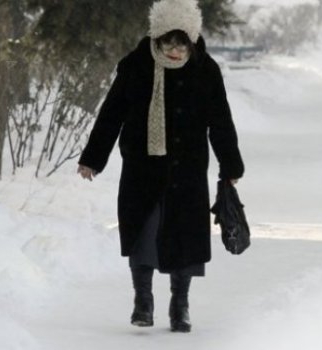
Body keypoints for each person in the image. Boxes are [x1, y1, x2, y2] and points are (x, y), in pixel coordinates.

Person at [77, 0, 244, 333]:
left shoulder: (205, 69)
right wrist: (93, 158)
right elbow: (112, 114)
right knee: (143, 232)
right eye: (168, 41)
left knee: (186, 236)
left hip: (187, 169)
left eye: (182, 42)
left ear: (192, 40)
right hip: (143, 168)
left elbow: (220, 121)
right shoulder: (136, 66)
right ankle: (143, 300)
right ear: (156, 37)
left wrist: (230, 164)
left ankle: (179, 305)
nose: (174, 49)